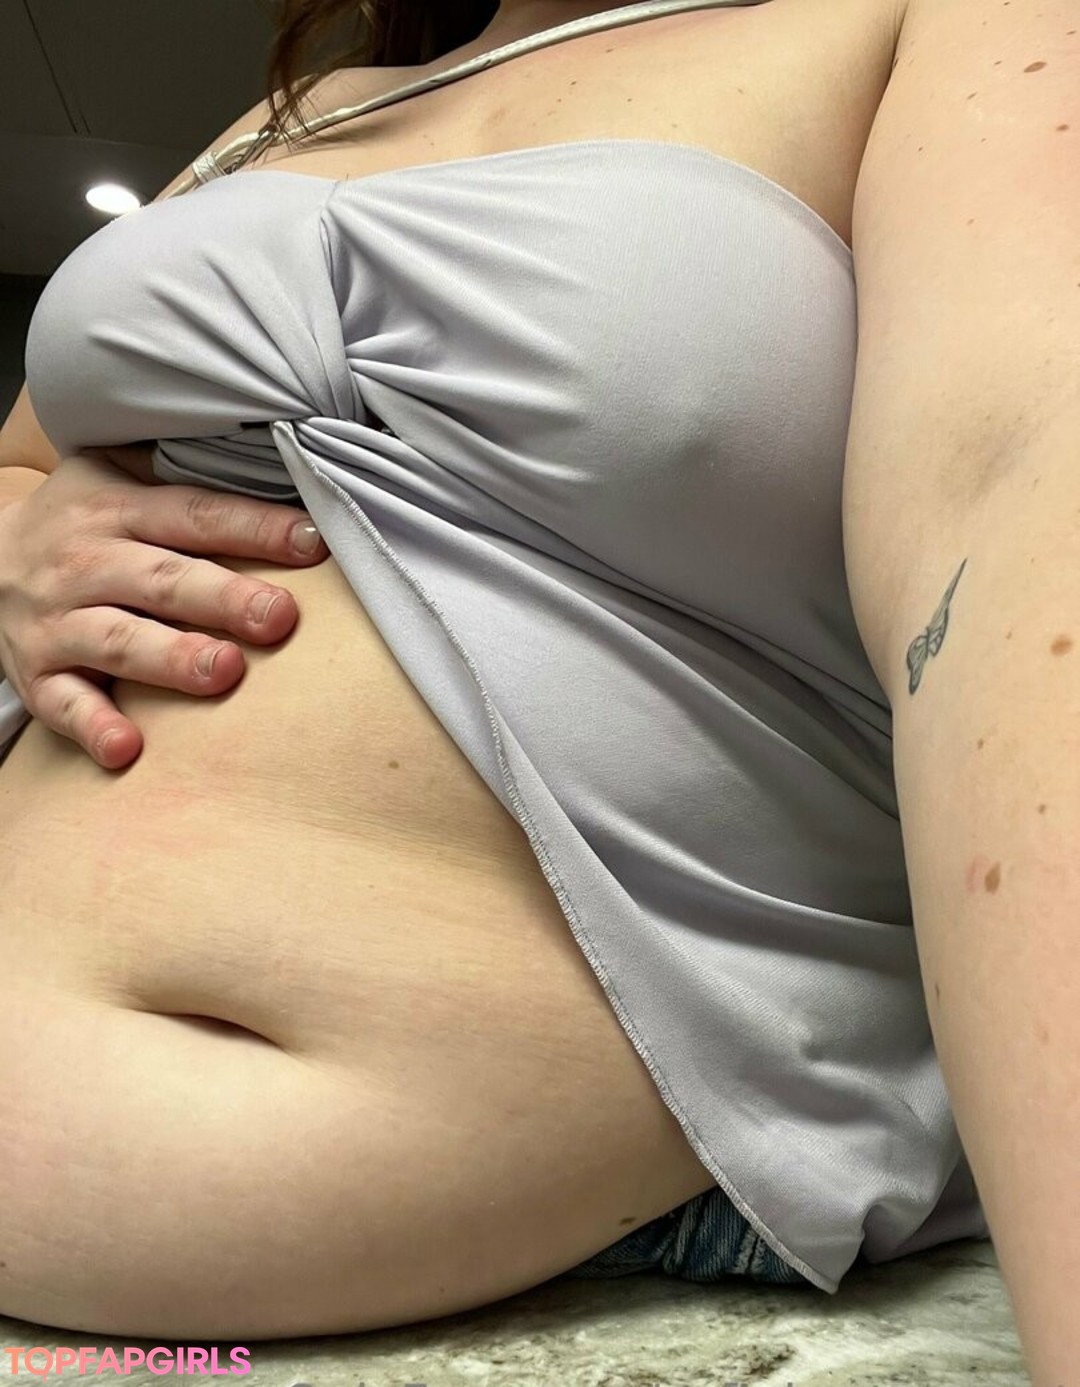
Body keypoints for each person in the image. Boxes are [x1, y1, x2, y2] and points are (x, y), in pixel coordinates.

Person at [0, 0, 1075, 1380]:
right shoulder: (295, 112)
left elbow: (1014, 510)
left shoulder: (935, 24)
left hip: (569, 1294)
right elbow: (25, 459)